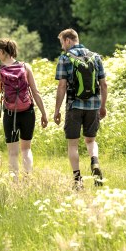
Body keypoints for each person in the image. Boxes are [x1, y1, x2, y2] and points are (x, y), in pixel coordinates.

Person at [0, 38, 48, 182]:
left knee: (13, 153)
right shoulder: (26, 67)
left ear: (1, 51)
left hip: (10, 114)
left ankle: (15, 184)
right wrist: (44, 114)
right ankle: (28, 180)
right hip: (28, 112)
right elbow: (36, 93)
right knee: (26, 149)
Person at [53, 29, 107, 189]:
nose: (62, 46)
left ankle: (78, 180)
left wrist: (57, 110)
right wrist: (102, 106)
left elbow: (62, 86)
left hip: (74, 106)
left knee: (73, 144)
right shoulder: (95, 57)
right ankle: (94, 161)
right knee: (91, 140)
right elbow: (103, 84)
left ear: (68, 40)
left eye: (62, 42)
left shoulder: (65, 58)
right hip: (93, 106)